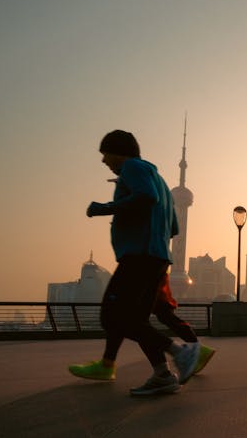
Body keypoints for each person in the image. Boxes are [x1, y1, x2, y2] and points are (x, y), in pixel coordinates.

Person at [74, 130, 200, 396]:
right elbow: (174, 228)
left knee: (112, 315)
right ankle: (162, 374)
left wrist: (105, 208)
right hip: (156, 257)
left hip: (139, 256)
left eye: (105, 153)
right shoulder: (163, 183)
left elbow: (145, 197)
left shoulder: (132, 167)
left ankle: (180, 351)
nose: (103, 160)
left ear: (118, 151)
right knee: (137, 320)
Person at [69, 273, 216, 380]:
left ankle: (179, 355)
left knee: (117, 313)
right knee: (161, 313)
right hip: (153, 259)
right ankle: (168, 367)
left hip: (141, 260)